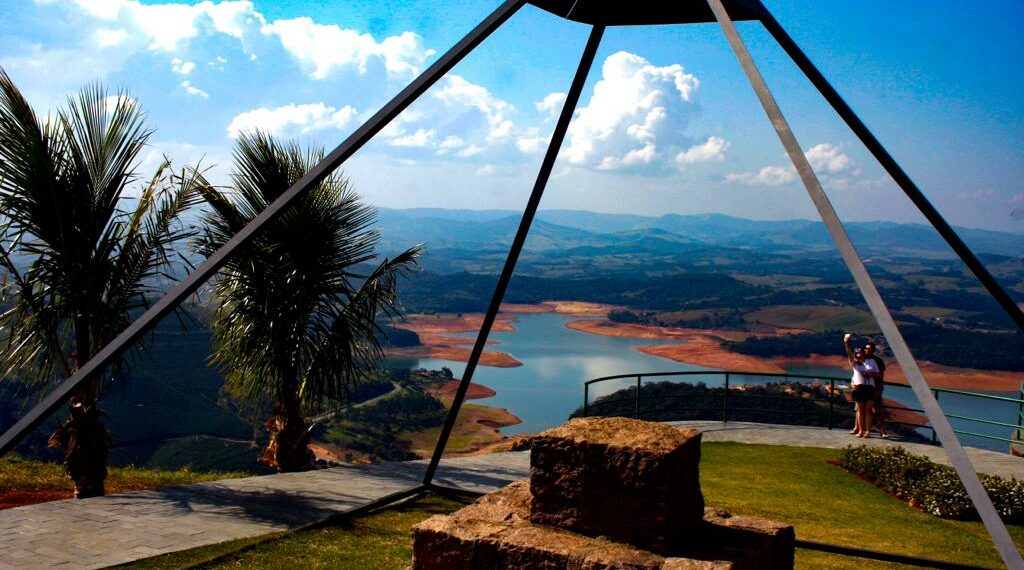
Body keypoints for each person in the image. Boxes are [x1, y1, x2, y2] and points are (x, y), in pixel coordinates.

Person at [844, 333, 877, 438]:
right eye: (856, 352)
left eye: (860, 352)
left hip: (870, 388)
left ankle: (868, 431)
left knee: (868, 411)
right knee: (861, 411)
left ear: (864, 353)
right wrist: (846, 342)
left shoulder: (871, 361)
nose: (858, 354)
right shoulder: (854, 363)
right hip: (859, 389)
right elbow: (848, 353)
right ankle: (861, 431)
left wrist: (871, 374)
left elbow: (877, 373)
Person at [865, 341, 889, 438]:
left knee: (879, 411)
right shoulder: (861, 359)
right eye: (866, 348)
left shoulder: (878, 361)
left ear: (873, 350)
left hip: (876, 389)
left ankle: (883, 431)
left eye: (870, 349)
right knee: (865, 411)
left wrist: (879, 388)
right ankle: (866, 431)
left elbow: (881, 376)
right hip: (864, 389)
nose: (868, 350)